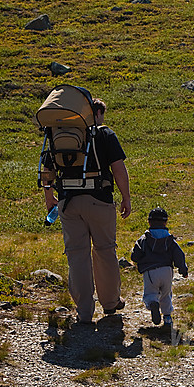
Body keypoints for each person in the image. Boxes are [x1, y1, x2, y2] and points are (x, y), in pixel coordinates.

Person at [43, 96, 131, 325]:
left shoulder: (57, 135)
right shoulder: (104, 134)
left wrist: (49, 197)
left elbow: (47, 169)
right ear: (97, 113)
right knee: (104, 250)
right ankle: (110, 303)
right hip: (99, 199)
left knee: (77, 254)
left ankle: (84, 311)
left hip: (67, 202)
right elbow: (118, 169)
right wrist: (126, 197)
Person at [130, 207, 188, 327]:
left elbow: (135, 255)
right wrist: (183, 269)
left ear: (149, 222)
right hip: (167, 270)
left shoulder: (144, 239)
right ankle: (167, 318)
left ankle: (153, 304)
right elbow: (179, 255)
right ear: (165, 222)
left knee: (151, 293)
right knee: (166, 294)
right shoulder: (169, 240)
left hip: (150, 271)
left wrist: (138, 259)